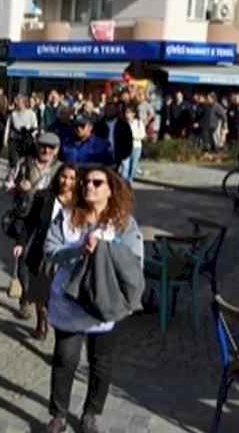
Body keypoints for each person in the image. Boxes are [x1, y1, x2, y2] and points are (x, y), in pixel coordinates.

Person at [44, 166, 144, 433]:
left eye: (97, 182)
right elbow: (50, 251)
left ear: (110, 189)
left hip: (105, 303)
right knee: (65, 359)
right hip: (69, 303)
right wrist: (78, 249)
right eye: (85, 181)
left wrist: (106, 249)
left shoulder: (123, 223)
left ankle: (91, 413)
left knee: (101, 363)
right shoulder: (66, 217)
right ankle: (58, 415)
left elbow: (135, 261)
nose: (89, 186)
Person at [15, 164, 77, 340]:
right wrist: (21, 243)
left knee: (61, 292)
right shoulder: (44, 197)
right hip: (44, 251)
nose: (67, 181)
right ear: (58, 177)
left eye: (72, 178)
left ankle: (61, 325)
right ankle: (42, 321)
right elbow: (29, 222)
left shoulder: (80, 201)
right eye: (64, 176)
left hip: (69, 252)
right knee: (41, 289)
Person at [119, 106, 145, 182]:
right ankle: (124, 181)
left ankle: (130, 180)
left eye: (129, 113)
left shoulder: (139, 123)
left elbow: (143, 135)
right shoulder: (122, 123)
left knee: (133, 165)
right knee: (125, 166)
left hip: (136, 147)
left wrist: (133, 136)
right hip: (125, 147)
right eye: (126, 113)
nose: (127, 114)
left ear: (133, 114)